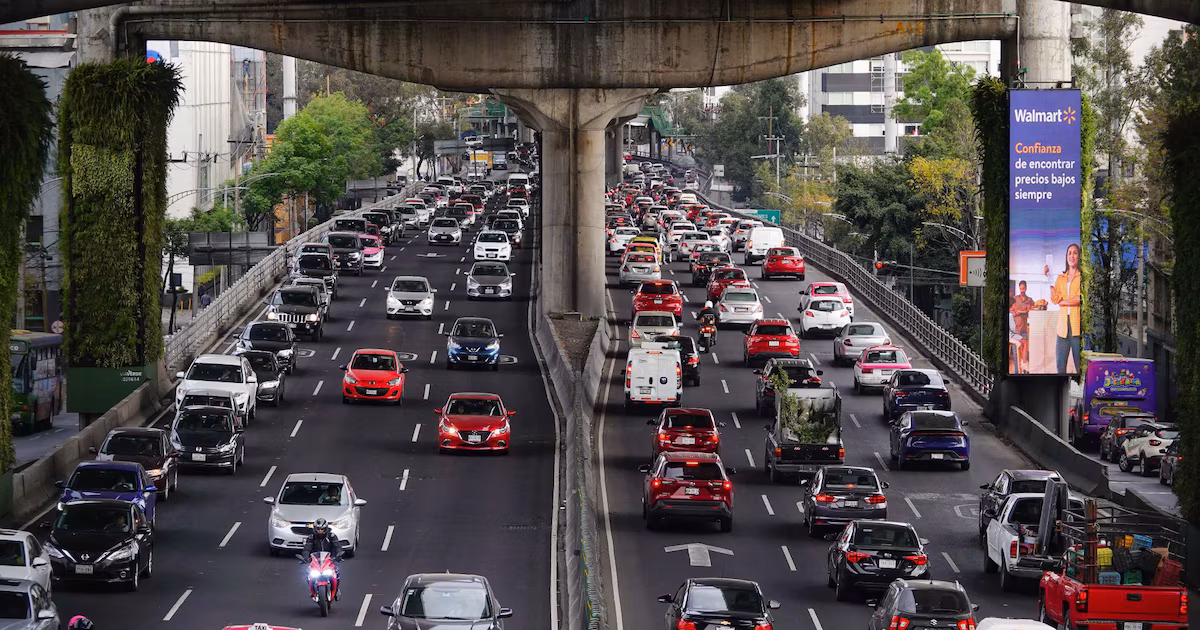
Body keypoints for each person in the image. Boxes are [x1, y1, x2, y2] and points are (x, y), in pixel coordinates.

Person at [1046, 243, 1082, 374]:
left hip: (1077, 328)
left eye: (1075, 253)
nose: (1072, 256)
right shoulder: (1061, 278)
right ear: (1066, 257)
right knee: (1060, 367)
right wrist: (1049, 278)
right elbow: (1055, 299)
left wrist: (1064, 302)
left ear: (1079, 256)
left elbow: (1080, 298)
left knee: (1080, 367)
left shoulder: (1082, 276)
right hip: (1062, 328)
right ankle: (1061, 392)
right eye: (1069, 253)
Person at [301, 518, 342, 600]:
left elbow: (338, 547)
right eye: (318, 529)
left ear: (326, 529)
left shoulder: (332, 536)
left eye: (322, 529)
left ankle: (336, 590)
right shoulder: (311, 537)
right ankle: (313, 590)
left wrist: (338, 556)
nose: (320, 531)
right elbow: (306, 549)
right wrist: (306, 558)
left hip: (330, 560)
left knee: (336, 572)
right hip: (316, 560)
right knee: (307, 573)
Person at [1009, 280, 1035, 374]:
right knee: (1016, 352)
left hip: (1024, 328)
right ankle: (1017, 372)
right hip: (1015, 329)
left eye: (1023, 288)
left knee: (1025, 351)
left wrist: (1022, 312)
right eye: (1020, 288)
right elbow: (1011, 310)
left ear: (1026, 288)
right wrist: (1016, 312)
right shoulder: (1015, 298)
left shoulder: (1030, 300)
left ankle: (1024, 371)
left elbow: (1033, 311)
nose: (1022, 290)